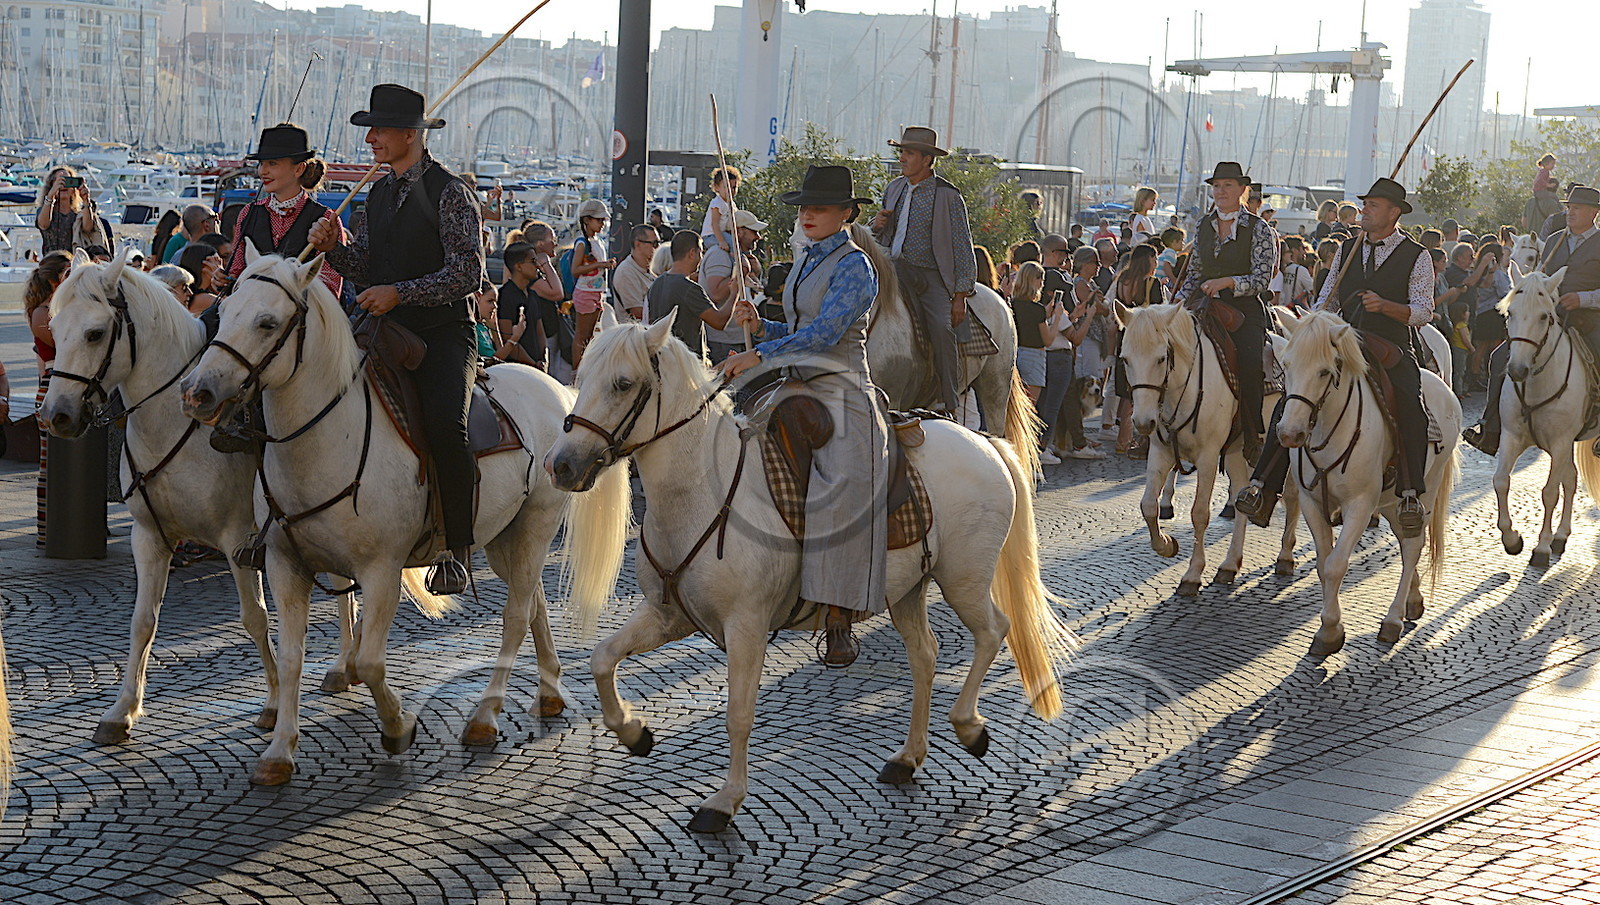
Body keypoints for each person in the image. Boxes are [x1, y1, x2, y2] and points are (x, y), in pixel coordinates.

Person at [307, 82, 484, 595]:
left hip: (443, 332)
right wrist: (334, 249)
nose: (371, 141)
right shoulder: (377, 193)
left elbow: (467, 274)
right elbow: (365, 266)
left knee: (446, 426)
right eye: (370, 132)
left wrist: (399, 293)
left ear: (411, 135)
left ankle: (456, 548)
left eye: (379, 131)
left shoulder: (452, 193)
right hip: (383, 328)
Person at [724, 164, 887, 667]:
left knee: (840, 491)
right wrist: (764, 324)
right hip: (795, 381)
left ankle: (837, 617)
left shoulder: (856, 265)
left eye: (818, 208)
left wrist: (758, 355)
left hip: (841, 388)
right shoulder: (804, 259)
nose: (807, 215)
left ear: (846, 214)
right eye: (803, 208)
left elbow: (824, 334)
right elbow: (798, 326)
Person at [1235, 178, 1435, 536]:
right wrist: (1317, 320)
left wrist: (1387, 307)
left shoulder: (1416, 254)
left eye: (1373, 206)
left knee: (1411, 405)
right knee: (1292, 398)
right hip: (1343, 340)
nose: (1365, 211)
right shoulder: (1346, 250)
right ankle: (1262, 485)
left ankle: (1408, 491)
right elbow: (1327, 299)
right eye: (1365, 204)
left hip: (1390, 344)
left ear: (1393, 213)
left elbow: (1423, 311)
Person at [1465, 184, 1600, 455]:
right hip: (1551, 319)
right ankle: (1490, 428)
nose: (1570, 213)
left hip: (1590, 320)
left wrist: (1583, 298)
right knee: (1501, 357)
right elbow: (1540, 279)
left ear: (1594, 213)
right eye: (1569, 207)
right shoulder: (1554, 241)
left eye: (1577, 208)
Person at [871, 126, 977, 414]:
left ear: (928, 160)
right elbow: (882, 236)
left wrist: (960, 296)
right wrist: (875, 225)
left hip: (929, 276)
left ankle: (948, 400)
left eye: (909, 153)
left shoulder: (948, 196)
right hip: (892, 269)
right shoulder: (893, 188)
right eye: (902, 152)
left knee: (942, 330)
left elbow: (962, 247)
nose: (902, 158)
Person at [1173, 162, 1275, 463]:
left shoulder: (1259, 228)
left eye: (1228, 185)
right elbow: (1194, 273)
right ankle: (1157, 428)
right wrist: (1175, 304)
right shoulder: (1203, 225)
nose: (1220, 191)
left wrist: (1228, 282)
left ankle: (1253, 433)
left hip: (1243, 308)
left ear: (1243, 190)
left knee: (1250, 361)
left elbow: (1261, 279)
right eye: (1217, 186)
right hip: (1203, 305)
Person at [224, 123, 345, 298]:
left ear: (299, 168)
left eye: (272, 163)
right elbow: (236, 272)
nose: (263, 171)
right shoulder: (248, 213)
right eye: (261, 163)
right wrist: (223, 281)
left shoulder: (326, 219)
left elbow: (331, 289)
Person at [26, 251, 71, 546]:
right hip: (51, 385)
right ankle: (45, 528)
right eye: (68, 274)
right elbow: (63, 345)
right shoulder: (42, 313)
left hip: (65, 385)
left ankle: (67, 524)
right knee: (49, 463)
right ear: (56, 279)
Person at [1108, 245, 1166, 456]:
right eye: (1155, 258)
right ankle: (1142, 440)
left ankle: (1122, 440)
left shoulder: (1123, 279)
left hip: (1126, 336)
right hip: (1145, 340)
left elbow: (1113, 306)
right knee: (1146, 388)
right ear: (1148, 259)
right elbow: (1159, 312)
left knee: (1127, 392)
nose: (1156, 263)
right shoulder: (1151, 283)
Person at [647, 230, 741, 359]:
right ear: (692, 253)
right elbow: (719, 322)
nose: (701, 258)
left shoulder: (657, 283)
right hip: (684, 364)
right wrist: (734, 293)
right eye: (700, 252)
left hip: (661, 361)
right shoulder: (688, 288)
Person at [699, 209, 768, 362]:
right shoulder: (720, 254)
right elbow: (715, 294)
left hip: (735, 338)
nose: (758, 236)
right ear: (739, 231)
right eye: (753, 231)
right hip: (723, 341)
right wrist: (742, 272)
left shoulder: (738, 256)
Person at [516, 221, 571, 381]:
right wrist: (545, 262)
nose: (555, 243)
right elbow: (557, 293)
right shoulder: (531, 270)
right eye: (552, 239)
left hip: (548, 327)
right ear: (540, 244)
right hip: (542, 330)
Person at [569, 198, 616, 368]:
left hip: (596, 292)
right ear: (586, 220)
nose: (602, 223)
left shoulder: (596, 241)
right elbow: (575, 270)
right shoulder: (582, 243)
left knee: (590, 336)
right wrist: (600, 265)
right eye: (599, 220)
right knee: (582, 336)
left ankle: (584, 369)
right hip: (585, 292)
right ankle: (577, 371)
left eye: (603, 220)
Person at [495, 241, 550, 369]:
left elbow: (540, 332)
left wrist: (544, 359)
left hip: (537, 366)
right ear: (518, 266)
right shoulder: (504, 296)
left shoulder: (533, 295)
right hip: (516, 370)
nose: (537, 266)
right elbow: (507, 337)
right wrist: (532, 364)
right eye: (532, 261)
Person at [35, 166, 112, 255]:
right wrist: (51, 195)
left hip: (76, 262)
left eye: (68, 181)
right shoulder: (45, 211)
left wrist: (86, 200)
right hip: (53, 262)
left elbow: (88, 228)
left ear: (73, 188)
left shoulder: (79, 214)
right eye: (59, 181)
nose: (63, 185)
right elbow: (43, 224)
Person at [611, 225, 659, 321]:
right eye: (654, 243)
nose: (658, 247)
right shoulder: (626, 272)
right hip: (635, 333)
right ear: (638, 244)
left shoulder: (651, 268)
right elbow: (638, 312)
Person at [701, 165, 740, 255]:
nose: (730, 191)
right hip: (710, 236)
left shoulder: (731, 204)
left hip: (720, 234)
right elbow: (715, 224)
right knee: (733, 243)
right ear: (717, 187)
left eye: (734, 187)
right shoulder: (717, 203)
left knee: (736, 240)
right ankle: (735, 261)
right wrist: (721, 241)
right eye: (726, 187)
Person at [176, 243, 224, 316]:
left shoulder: (187, 295)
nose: (221, 267)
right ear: (205, 265)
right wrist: (220, 279)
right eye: (217, 262)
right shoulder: (205, 299)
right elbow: (237, 309)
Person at [1272, 236, 1314, 310]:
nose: (1305, 252)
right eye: (1303, 248)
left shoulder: (1279, 270)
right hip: (1293, 312)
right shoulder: (1301, 270)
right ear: (1294, 250)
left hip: (1279, 309)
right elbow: (1314, 290)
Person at [1526, 153, 1561, 232]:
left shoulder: (1542, 171)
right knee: (1554, 196)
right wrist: (1548, 185)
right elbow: (1540, 181)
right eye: (1552, 164)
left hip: (1538, 192)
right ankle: (1562, 208)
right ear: (1546, 164)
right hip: (1540, 191)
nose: (1553, 166)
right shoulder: (1545, 172)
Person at [1156, 227, 1185, 291]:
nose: (1183, 244)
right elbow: (1166, 266)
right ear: (1174, 242)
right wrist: (1174, 279)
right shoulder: (1171, 252)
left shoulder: (1167, 251)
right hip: (1161, 278)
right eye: (1181, 241)